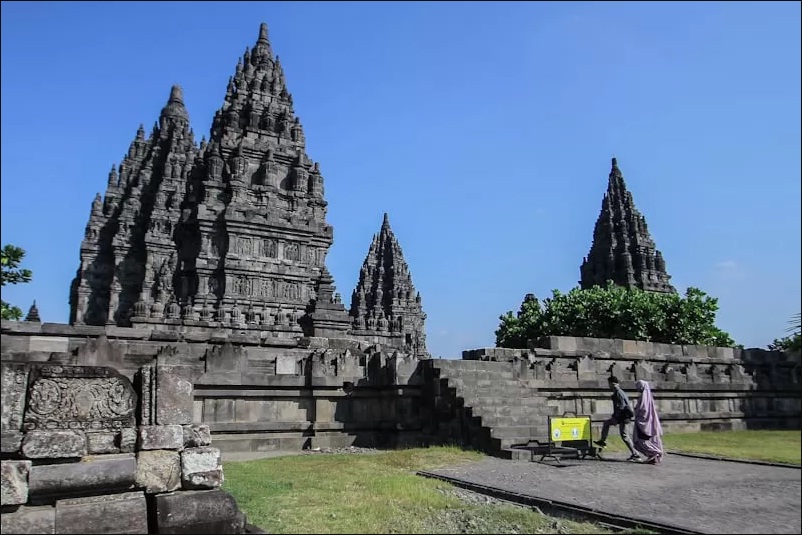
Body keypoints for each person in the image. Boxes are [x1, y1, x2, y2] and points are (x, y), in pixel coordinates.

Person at [594, 376, 640, 461]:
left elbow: (622, 405)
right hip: (622, 416)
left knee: (624, 435)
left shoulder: (618, 392)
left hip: (622, 416)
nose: (609, 386)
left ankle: (636, 454)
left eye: (609, 384)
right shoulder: (618, 391)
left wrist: (616, 417)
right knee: (623, 435)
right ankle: (635, 453)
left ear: (612, 383)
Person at [633, 380, 664, 464]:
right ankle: (652, 455)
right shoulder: (645, 396)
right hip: (646, 421)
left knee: (643, 439)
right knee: (645, 439)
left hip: (644, 422)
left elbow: (644, 410)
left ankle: (655, 452)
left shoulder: (644, 397)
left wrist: (637, 413)